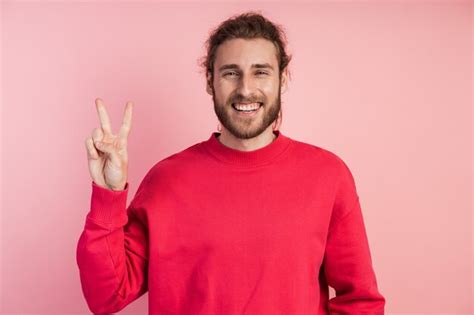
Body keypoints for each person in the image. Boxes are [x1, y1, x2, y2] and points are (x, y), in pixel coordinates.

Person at [77, 11, 386, 315]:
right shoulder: (166, 180)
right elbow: (107, 296)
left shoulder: (328, 176)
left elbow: (360, 302)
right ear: (210, 81)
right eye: (230, 73)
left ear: (284, 78)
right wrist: (108, 194)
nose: (246, 89)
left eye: (261, 72)